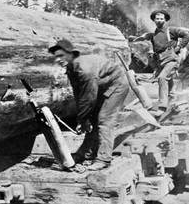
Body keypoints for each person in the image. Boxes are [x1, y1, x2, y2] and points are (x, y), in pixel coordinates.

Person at [48, 39, 129, 171]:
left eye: (61, 56)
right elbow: (79, 94)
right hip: (102, 86)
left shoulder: (84, 70)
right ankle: (86, 153)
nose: (58, 60)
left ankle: (103, 159)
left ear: (71, 54)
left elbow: (89, 97)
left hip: (117, 85)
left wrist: (82, 119)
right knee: (93, 119)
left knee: (104, 120)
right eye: (56, 57)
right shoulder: (71, 67)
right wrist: (83, 119)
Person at [135, 10, 189, 111]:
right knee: (168, 81)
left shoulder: (171, 30)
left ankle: (162, 106)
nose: (159, 20)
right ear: (154, 20)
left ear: (165, 20)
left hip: (172, 60)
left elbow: (188, 35)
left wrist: (179, 47)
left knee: (162, 78)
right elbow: (156, 50)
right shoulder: (154, 34)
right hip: (161, 61)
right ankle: (172, 100)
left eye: (161, 19)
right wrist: (156, 66)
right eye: (157, 19)